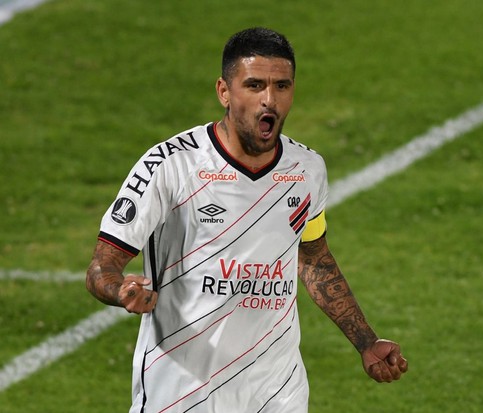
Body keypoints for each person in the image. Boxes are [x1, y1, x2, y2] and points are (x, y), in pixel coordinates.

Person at [85, 27, 407, 413]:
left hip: (276, 391)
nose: (269, 100)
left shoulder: (307, 170)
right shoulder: (170, 165)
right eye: (254, 86)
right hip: (182, 393)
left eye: (281, 86)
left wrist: (366, 341)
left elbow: (313, 259)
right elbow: (103, 264)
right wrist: (119, 290)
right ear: (224, 91)